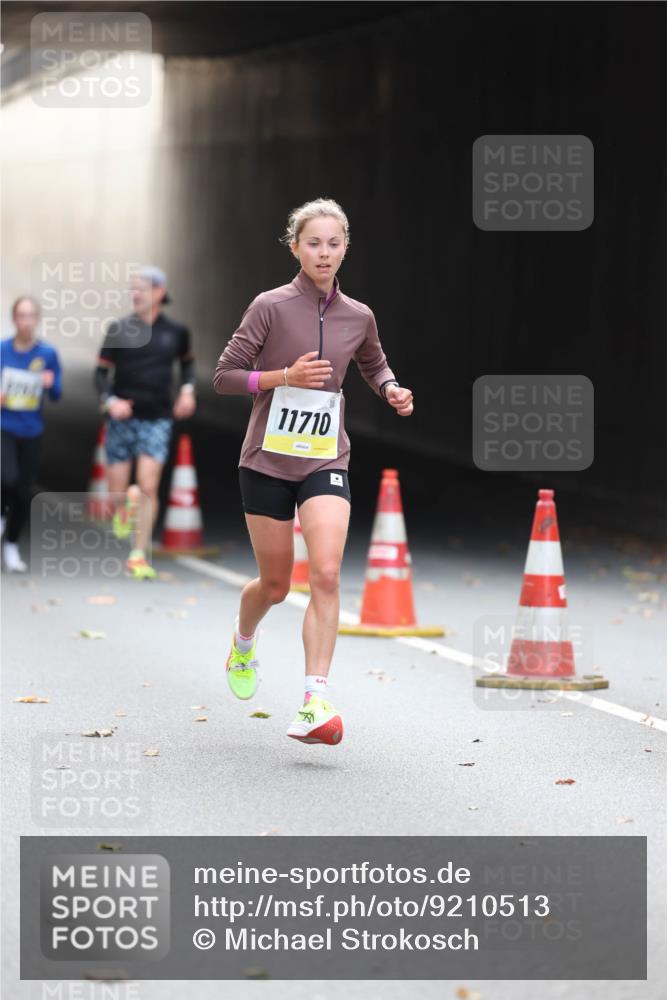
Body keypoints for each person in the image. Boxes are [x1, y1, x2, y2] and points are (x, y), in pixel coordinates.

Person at [213, 198, 413, 745]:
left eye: (333, 243)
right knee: (276, 585)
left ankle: (314, 700)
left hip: (326, 457)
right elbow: (225, 377)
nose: (324, 253)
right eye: (313, 243)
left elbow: (373, 362)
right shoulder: (270, 307)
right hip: (267, 462)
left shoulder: (359, 315)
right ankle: (244, 638)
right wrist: (283, 375)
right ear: (295, 247)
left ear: (345, 247)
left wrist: (391, 389)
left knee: (324, 572)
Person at [94, 265, 196, 579]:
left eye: (143, 288)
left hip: (157, 418)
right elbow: (100, 374)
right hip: (123, 419)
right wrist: (111, 402)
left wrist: (187, 391)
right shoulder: (119, 329)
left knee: (149, 486)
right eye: (133, 288)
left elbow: (188, 364)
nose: (136, 293)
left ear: (160, 293)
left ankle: (139, 553)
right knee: (116, 494)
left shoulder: (176, 332)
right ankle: (125, 506)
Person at [1, 296, 62, 572]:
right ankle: (1, 515)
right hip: (5, 427)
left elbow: (57, 394)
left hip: (32, 431)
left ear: (37, 320)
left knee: (25, 492)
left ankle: (12, 543)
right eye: (20, 316)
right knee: (7, 479)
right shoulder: (2, 350)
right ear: (14, 319)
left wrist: (50, 383)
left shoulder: (47, 354)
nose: (25, 321)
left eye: (30, 316)